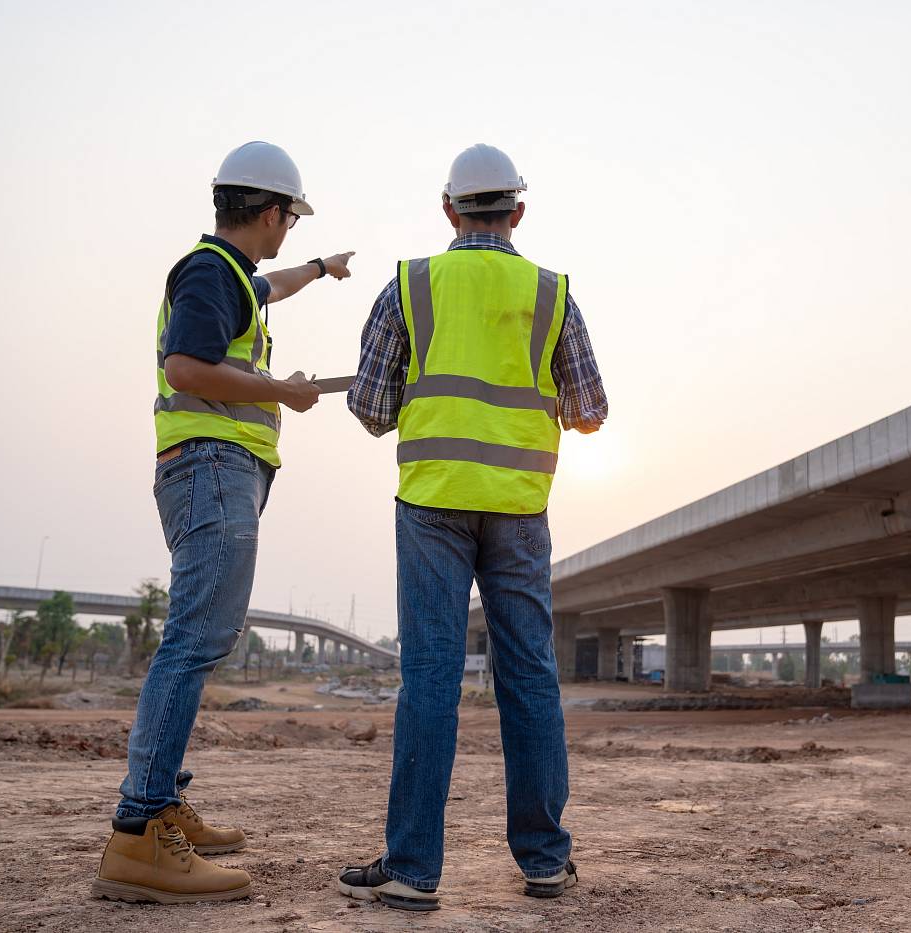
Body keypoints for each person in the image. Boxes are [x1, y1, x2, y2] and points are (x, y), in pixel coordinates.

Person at [338, 143, 608, 911]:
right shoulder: (552, 293)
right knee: (530, 675)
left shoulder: (411, 285)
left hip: (431, 501)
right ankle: (546, 860)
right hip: (520, 508)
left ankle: (414, 870)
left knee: (428, 676)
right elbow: (591, 410)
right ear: (517, 211)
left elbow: (369, 408)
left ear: (449, 210)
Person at [92, 141, 354, 904]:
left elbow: (267, 284)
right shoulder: (209, 273)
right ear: (272, 211)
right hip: (212, 465)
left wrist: (321, 271)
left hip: (211, 467)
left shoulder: (230, 275)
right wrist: (281, 390)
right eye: (291, 222)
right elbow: (185, 366)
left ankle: (162, 803)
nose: (290, 234)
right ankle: (140, 831)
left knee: (200, 638)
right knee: (194, 640)